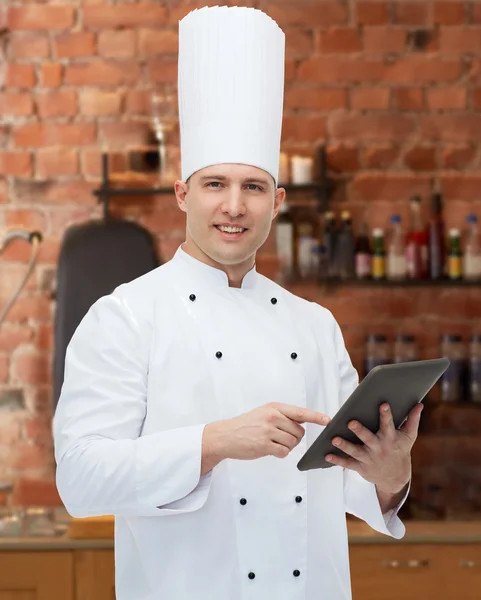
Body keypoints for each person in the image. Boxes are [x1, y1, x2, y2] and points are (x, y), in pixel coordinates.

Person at [53, 6, 422, 600]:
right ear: (183, 194)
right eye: (215, 184)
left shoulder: (315, 325)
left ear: (276, 201)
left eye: (252, 187)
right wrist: (217, 442)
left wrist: (390, 474)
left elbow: (356, 493)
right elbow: (80, 480)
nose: (234, 207)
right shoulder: (124, 317)